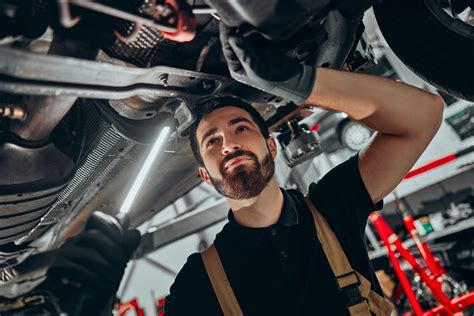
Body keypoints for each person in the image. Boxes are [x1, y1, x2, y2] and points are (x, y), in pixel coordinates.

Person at [44, 23, 444, 315]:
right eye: (212, 142)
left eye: (240, 128)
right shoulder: (200, 282)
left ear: (270, 144)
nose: (229, 143)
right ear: (205, 174)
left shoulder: (335, 206)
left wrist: (297, 81)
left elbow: (423, 116)